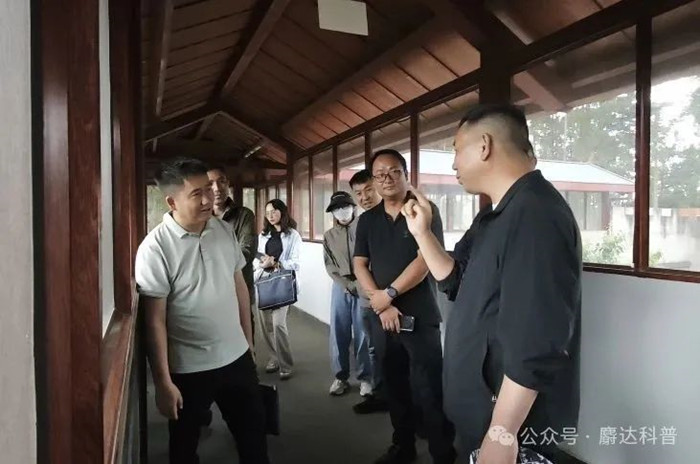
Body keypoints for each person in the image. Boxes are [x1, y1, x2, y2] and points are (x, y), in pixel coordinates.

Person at [402, 103, 582, 463]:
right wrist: (422, 232)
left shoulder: (536, 215)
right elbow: (454, 279)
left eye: (456, 150)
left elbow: (536, 341)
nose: (454, 164)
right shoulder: (495, 215)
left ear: (484, 146)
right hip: (480, 410)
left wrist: (502, 433)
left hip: (509, 424)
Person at [135, 158, 269, 464]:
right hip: (188, 368)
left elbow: (239, 288)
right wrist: (163, 382)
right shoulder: (155, 249)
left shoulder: (223, 230)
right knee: (184, 449)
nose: (209, 198)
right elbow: (154, 321)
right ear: (172, 202)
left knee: (254, 440)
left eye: (209, 189)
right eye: (197, 193)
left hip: (236, 358)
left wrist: (248, 343)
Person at [354, 149, 456, 464]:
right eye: (380, 174)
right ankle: (403, 446)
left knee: (429, 388)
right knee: (394, 386)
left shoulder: (423, 210)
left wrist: (390, 293)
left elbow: (425, 261)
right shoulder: (367, 220)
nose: (386, 178)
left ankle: (442, 452)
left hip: (420, 316)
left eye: (394, 171)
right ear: (373, 180)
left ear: (406, 175)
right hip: (383, 318)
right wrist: (381, 302)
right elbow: (359, 264)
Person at [348, 169, 390, 415]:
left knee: (402, 352)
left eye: (368, 190)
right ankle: (381, 394)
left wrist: (386, 298)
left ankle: (408, 402)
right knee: (375, 349)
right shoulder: (362, 222)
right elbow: (358, 264)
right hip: (368, 299)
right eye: (358, 193)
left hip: (393, 298)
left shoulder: (393, 217)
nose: (364, 197)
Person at [323, 191, 372, 397]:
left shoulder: (365, 227)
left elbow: (372, 256)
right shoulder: (329, 236)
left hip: (364, 284)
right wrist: (344, 284)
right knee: (338, 331)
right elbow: (330, 265)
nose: (342, 212)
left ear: (353, 207)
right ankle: (340, 376)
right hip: (341, 286)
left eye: (345, 207)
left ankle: (366, 378)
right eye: (337, 209)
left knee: (363, 332)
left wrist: (361, 283)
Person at [208, 164, 258, 341]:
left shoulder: (244, 215)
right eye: (210, 183)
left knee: (244, 340)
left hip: (239, 291)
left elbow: (247, 252)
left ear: (227, 183)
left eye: (221, 181)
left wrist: (210, 265)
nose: (217, 188)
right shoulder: (200, 218)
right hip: (209, 296)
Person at [255, 199, 302, 380]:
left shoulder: (293, 235)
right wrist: (262, 263)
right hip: (263, 281)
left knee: (278, 324)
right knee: (265, 325)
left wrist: (276, 263)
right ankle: (273, 357)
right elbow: (256, 259)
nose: (271, 215)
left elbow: (296, 262)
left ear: (282, 212)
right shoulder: (263, 235)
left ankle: (286, 364)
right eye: (267, 213)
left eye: (274, 211)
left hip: (283, 282)